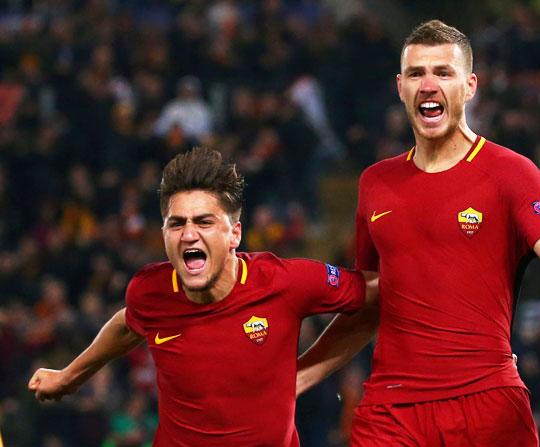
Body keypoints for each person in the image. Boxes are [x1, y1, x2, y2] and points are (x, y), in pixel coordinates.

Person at [297, 20, 540, 447]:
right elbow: (368, 303)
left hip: (486, 402)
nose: (428, 84)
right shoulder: (375, 183)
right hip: (391, 409)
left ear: (470, 85)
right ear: (400, 87)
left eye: (443, 72)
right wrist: (293, 380)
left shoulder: (510, 172)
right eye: (417, 73)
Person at [28, 147, 376, 446]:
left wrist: (305, 374)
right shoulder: (150, 291)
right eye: (176, 224)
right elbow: (127, 324)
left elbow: (374, 298)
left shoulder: (285, 282)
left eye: (204, 222)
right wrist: (70, 376)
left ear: (234, 233)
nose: (189, 234)